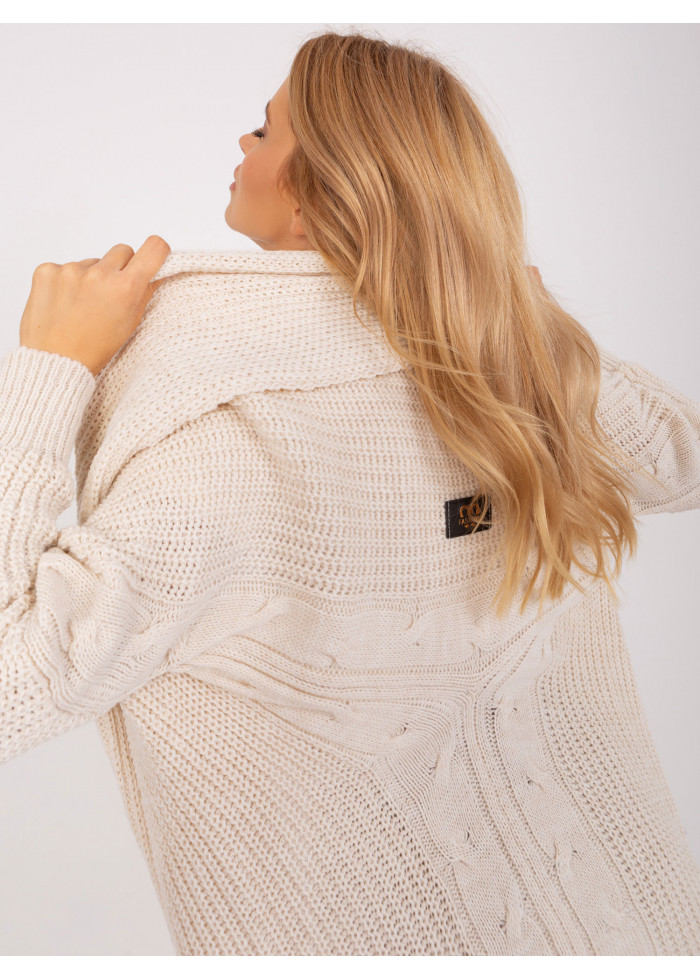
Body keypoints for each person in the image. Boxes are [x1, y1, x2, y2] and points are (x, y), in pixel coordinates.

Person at [1, 28, 699, 956]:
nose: (243, 141)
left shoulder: (224, 447)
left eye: (265, 129)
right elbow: (680, 453)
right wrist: (528, 328)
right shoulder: (512, 387)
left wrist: (49, 372)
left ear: (320, 192)